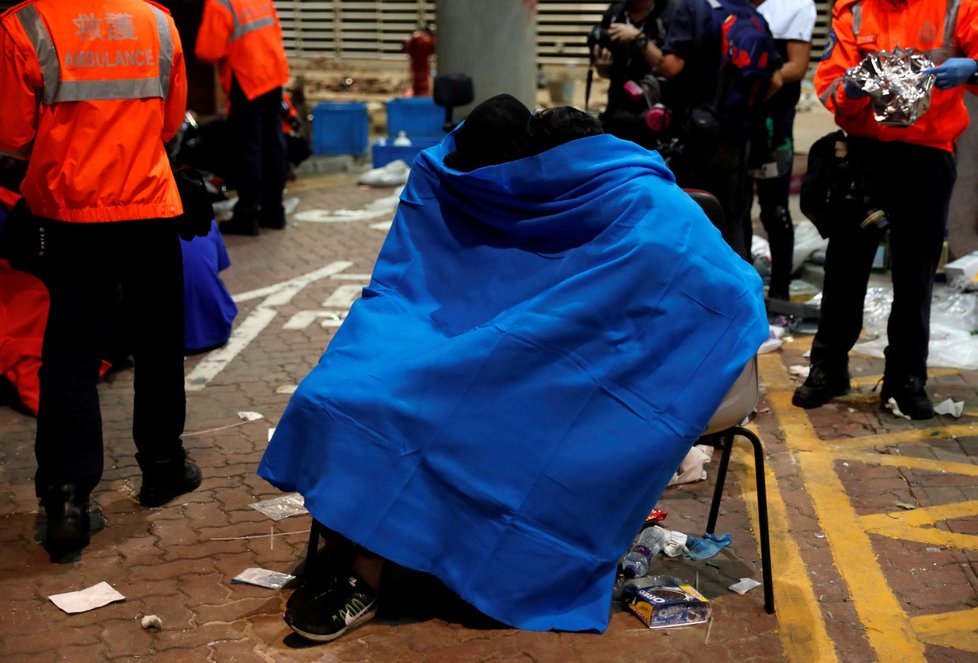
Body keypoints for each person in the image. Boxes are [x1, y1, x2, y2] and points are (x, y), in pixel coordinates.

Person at [257, 94, 768, 642]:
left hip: (608, 379)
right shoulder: (578, 190)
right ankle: (359, 549)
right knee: (351, 396)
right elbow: (534, 271)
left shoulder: (646, 207)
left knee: (437, 420)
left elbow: (718, 292)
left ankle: (371, 573)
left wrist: (535, 337)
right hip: (542, 359)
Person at [0, 0, 202, 562]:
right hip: (148, 206)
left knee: (69, 355)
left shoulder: (26, 24)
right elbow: (168, 123)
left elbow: (13, 136)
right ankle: (163, 468)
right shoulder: (157, 21)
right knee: (159, 342)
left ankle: (66, 500)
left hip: (68, 214)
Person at [791, 0, 978, 419]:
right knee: (845, 267)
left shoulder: (956, 7)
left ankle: (907, 379)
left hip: (929, 155)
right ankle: (828, 367)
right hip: (864, 157)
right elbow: (829, 84)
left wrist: (973, 69)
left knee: (916, 274)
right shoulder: (853, 9)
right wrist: (851, 90)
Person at [652, 0, 784, 261]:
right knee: (733, 219)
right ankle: (741, 294)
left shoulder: (691, 8)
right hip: (738, 138)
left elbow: (671, 66)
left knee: (688, 218)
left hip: (695, 135)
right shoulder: (751, 14)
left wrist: (643, 45)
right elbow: (776, 80)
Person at [195, 0, 290, 236]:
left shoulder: (219, 4)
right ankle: (274, 211)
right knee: (273, 145)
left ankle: (246, 216)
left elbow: (208, 50)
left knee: (249, 150)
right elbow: (276, 30)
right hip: (272, 73)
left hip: (246, 80)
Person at [751, 0, 816, 303]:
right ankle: (737, 293)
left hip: (773, 122)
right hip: (732, 119)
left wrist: (759, 78)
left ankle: (780, 295)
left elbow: (797, 65)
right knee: (732, 208)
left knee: (774, 209)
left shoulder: (796, 5)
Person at [591, 0, 676, 149]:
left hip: (656, 112)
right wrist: (602, 66)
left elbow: (668, 68)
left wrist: (639, 37)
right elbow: (604, 73)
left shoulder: (669, 14)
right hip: (617, 109)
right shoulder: (615, 13)